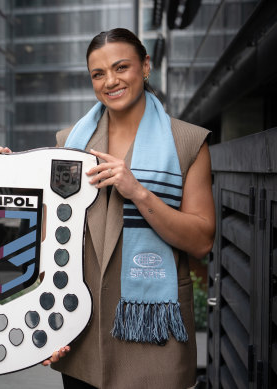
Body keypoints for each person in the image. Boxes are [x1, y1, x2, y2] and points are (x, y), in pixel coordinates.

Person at [45, 28, 215, 388]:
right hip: (82, 333)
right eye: (98, 74)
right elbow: (48, 235)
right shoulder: (68, 143)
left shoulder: (188, 142)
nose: (111, 81)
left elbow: (201, 241)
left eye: (121, 67)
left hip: (154, 339)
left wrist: (137, 191)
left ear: (146, 66)